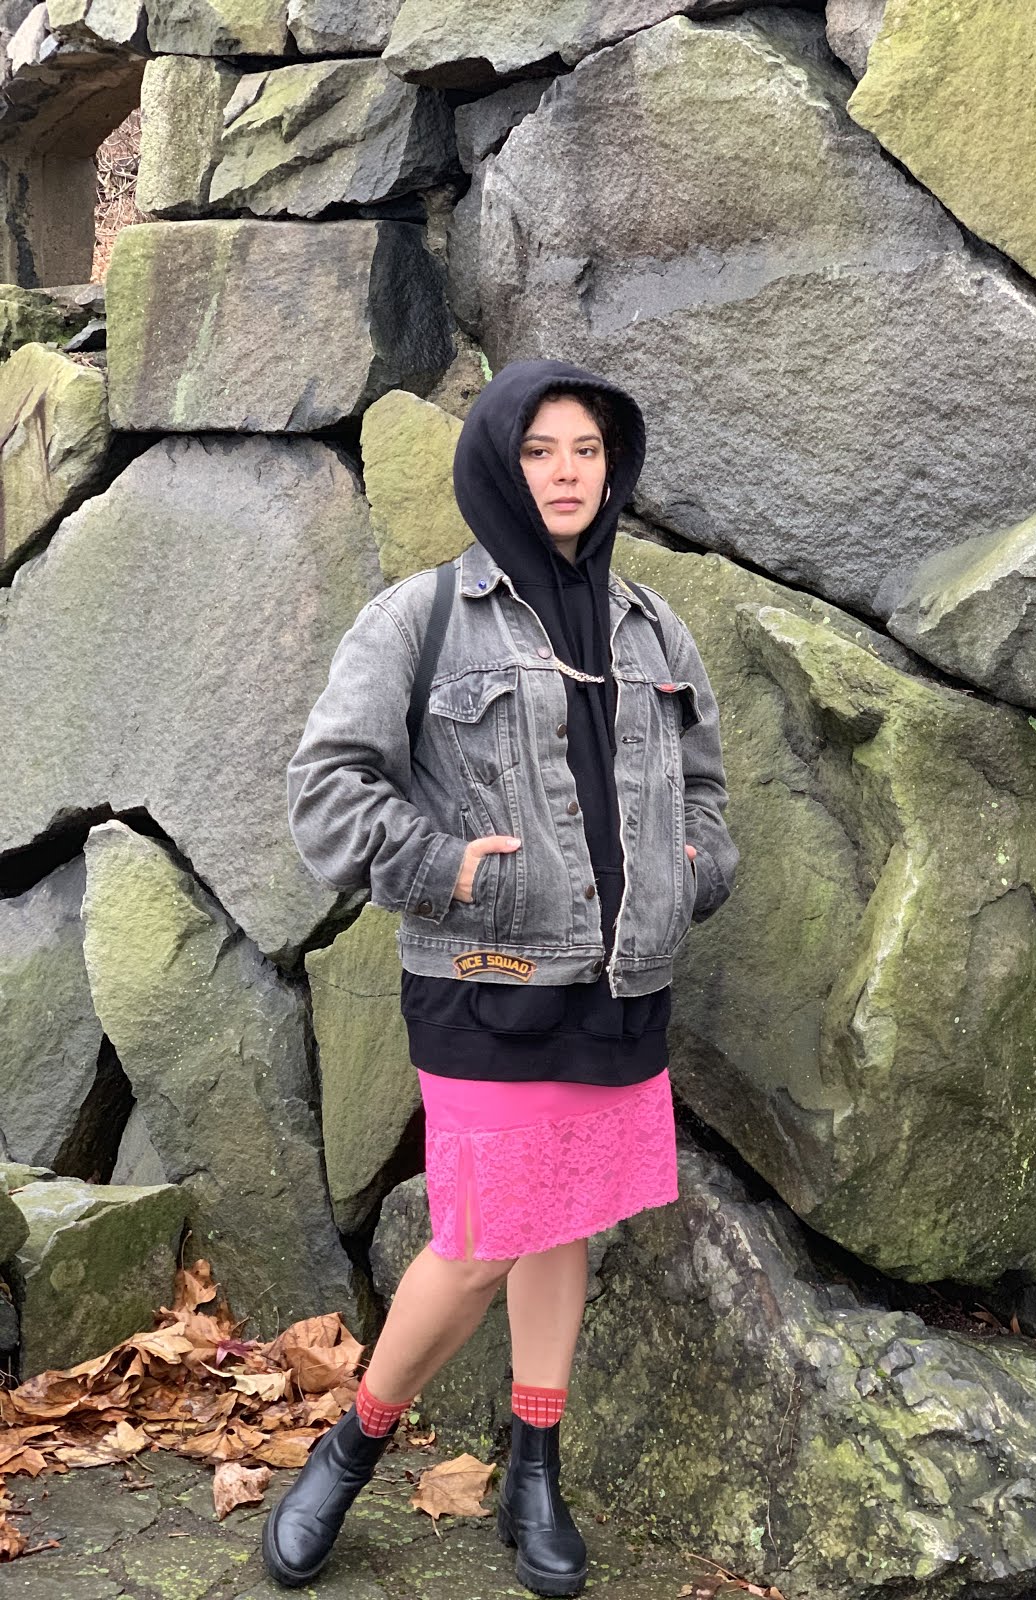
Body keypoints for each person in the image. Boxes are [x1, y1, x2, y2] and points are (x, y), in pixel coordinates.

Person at [264, 358, 739, 1595]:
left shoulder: (654, 629)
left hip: (620, 985)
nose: (566, 472)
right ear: (495, 464)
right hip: (486, 978)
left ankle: (534, 1468)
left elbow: (704, 789)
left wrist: (692, 866)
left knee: (563, 1215)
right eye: (539, 449)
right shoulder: (418, 618)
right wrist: (446, 868)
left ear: (613, 468)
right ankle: (352, 1449)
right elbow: (326, 791)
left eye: (587, 448)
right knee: (480, 1238)